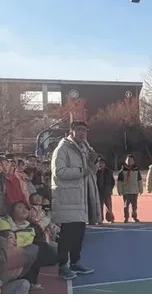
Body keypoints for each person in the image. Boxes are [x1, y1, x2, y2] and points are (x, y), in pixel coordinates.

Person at [51, 120, 100, 280]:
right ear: (71, 131)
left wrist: (94, 162)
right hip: (67, 198)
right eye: (78, 130)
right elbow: (59, 172)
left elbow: (91, 172)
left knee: (79, 234)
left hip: (81, 197)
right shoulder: (62, 149)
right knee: (67, 236)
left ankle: (75, 262)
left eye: (84, 130)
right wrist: (82, 170)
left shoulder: (85, 148)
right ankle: (63, 266)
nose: (82, 133)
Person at [117, 154, 143, 223]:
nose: (129, 161)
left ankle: (134, 217)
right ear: (125, 161)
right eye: (128, 160)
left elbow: (139, 181)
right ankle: (126, 217)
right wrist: (119, 190)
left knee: (134, 206)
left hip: (134, 191)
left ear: (133, 161)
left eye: (131, 160)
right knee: (126, 206)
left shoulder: (136, 170)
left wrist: (141, 189)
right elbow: (119, 182)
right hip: (126, 191)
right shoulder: (122, 171)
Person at [96, 158, 115, 223]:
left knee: (109, 206)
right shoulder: (96, 172)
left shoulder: (109, 172)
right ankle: (100, 219)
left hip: (107, 191)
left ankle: (110, 218)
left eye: (102, 163)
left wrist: (110, 189)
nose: (101, 164)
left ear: (105, 164)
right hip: (99, 191)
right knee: (100, 206)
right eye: (99, 163)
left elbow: (112, 182)